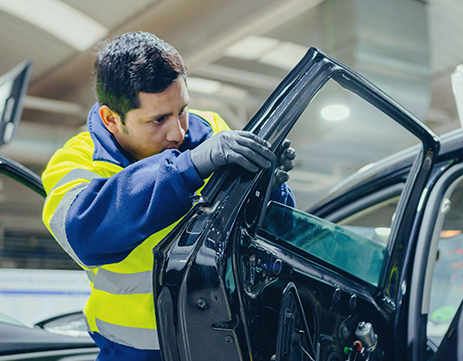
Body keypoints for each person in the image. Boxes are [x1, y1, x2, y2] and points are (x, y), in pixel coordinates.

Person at [41, 31, 295, 360]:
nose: (178, 132)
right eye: (158, 119)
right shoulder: (75, 163)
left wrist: (271, 184)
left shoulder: (211, 131)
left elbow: (259, 231)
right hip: (134, 352)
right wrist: (187, 167)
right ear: (111, 119)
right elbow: (84, 233)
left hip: (223, 342)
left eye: (182, 110)